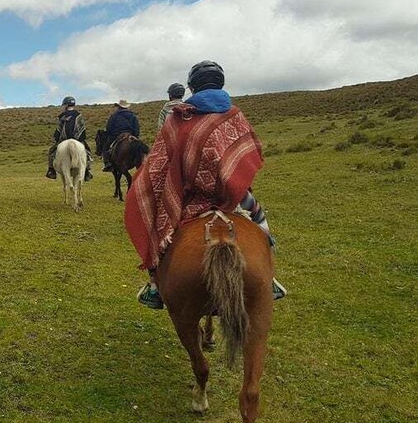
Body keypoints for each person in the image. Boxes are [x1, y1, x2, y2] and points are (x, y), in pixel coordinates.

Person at [124, 60, 286, 309]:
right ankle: (270, 277)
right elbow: (250, 150)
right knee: (258, 217)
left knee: (160, 228)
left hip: (189, 196)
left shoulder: (178, 118)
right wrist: (233, 178)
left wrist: (148, 183)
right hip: (232, 194)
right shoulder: (234, 115)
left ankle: (156, 284)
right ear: (221, 84)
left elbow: (160, 159)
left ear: (192, 88)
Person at [45, 96, 93, 182]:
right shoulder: (79, 115)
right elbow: (82, 130)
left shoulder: (62, 116)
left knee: (51, 152)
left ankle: (51, 170)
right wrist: (81, 139)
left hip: (63, 140)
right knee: (88, 152)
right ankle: (87, 171)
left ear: (66, 105)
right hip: (78, 140)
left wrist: (56, 138)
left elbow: (58, 130)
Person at [102, 99, 141, 172]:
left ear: (119, 107)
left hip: (116, 135)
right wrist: (136, 136)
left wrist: (110, 134)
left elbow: (109, 128)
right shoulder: (133, 115)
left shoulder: (114, 116)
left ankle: (107, 163)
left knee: (105, 148)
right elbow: (137, 127)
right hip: (131, 135)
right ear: (126, 107)